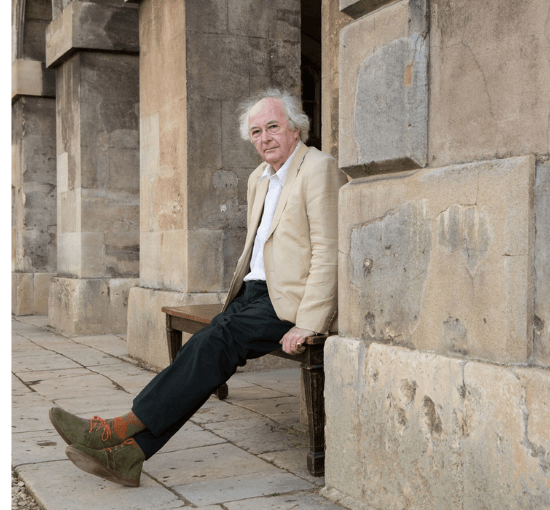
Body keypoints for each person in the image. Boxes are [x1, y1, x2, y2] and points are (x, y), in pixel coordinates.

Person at [47, 89, 347, 487]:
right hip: (251, 295)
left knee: (210, 343)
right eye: (256, 132)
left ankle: (118, 428)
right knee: (203, 356)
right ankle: (131, 456)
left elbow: (330, 250)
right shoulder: (259, 178)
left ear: (295, 128)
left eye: (272, 127)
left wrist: (309, 322)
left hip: (288, 302)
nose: (264, 138)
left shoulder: (318, 168)